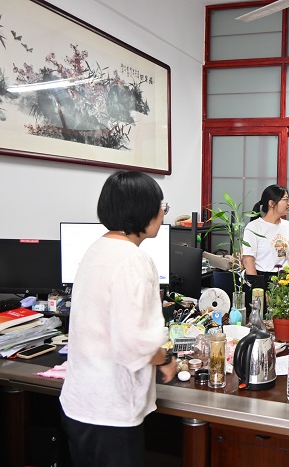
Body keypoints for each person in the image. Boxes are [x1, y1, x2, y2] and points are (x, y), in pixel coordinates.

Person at [60, 171, 177, 467]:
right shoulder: (134, 260)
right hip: (111, 410)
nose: (163, 213)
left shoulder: (95, 249)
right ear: (143, 210)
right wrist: (166, 360)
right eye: (161, 206)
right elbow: (135, 343)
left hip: (79, 402)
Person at [243, 184, 289, 286]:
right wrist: (257, 288)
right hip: (262, 279)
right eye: (285, 200)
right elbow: (248, 261)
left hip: (285, 280)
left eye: (288, 200)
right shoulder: (253, 227)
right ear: (271, 203)